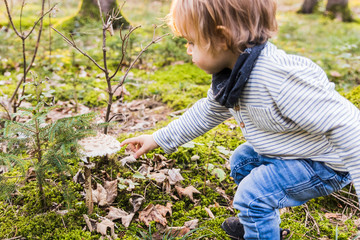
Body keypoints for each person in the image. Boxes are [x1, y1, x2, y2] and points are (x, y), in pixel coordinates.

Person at [120, 0, 360, 239]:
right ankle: (262, 223)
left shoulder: (277, 78)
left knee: (252, 195)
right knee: (241, 162)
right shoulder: (234, 74)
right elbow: (208, 111)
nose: (188, 49)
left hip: (323, 164)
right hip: (293, 152)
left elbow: (349, 127)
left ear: (222, 38)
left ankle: (257, 216)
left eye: (192, 42)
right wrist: (157, 138)